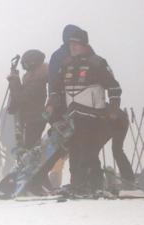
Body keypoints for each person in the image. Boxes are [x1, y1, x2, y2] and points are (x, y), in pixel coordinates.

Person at [47, 25, 123, 194]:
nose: (72, 47)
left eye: (76, 44)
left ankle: (91, 183)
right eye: (70, 44)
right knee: (75, 149)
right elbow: (55, 86)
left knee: (88, 150)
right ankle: (78, 184)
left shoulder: (97, 63)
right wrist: (53, 101)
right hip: (73, 116)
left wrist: (113, 110)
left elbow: (114, 88)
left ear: (85, 45)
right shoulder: (66, 63)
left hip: (93, 116)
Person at [8, 49, 48, 151]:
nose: (24, 69)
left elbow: (21, 97)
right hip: (29, 119)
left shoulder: (38, 80)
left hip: (34, 119)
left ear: (32, 63)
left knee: (30, 148)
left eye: (25, 65)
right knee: (27, 148)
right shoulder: (31, 79)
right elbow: (17, 100)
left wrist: (14, 80)